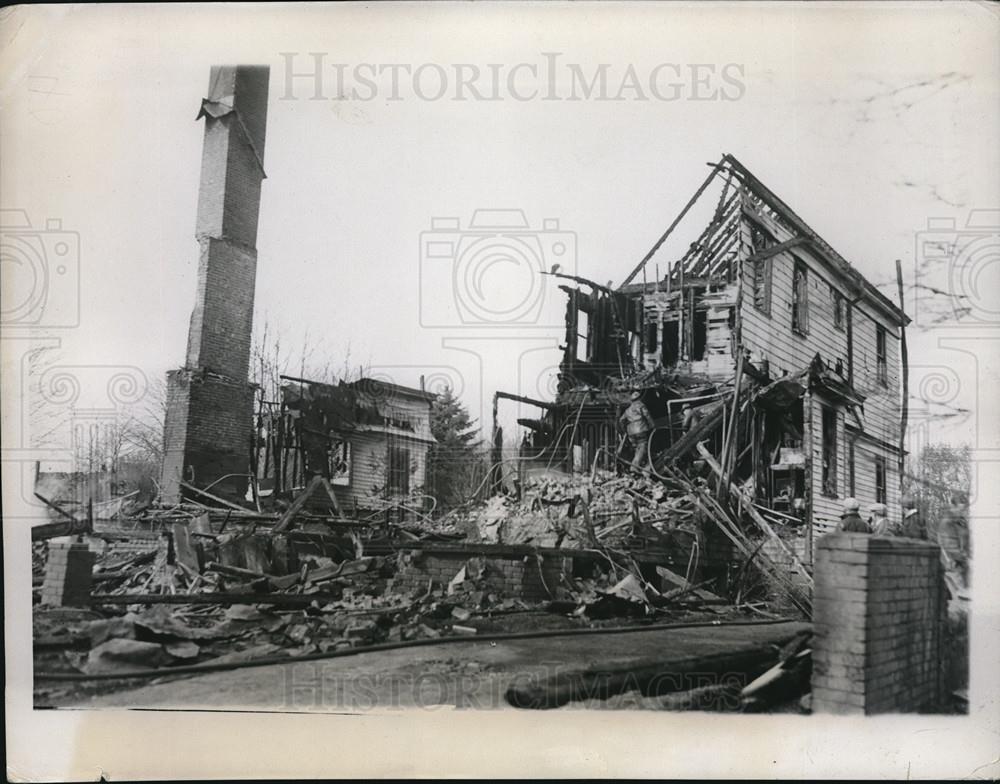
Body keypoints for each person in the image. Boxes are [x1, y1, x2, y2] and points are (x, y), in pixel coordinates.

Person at [619, 390, 655, 469]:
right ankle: (634, 466)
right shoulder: (640, 405)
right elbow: (647, 415)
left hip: (631, 432)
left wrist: (624, 430)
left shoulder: (628, 410)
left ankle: (639, 466)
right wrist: (652, 425)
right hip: (640, 428)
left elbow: (621, 420)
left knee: (637, 449)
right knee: (643, 446)